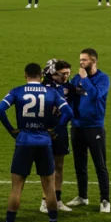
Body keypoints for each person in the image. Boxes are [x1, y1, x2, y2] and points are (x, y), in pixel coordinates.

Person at [0, 63, 73, 222]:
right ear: (41, 76)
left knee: (16, 187)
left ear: (25, 75)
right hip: (44, 141)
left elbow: (0, 110)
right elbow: (68, 113)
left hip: (24, 141)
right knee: (49, 187)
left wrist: (11, 130)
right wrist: (56, 130)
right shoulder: (52, 92)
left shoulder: (17, 91)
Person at [67, 48, 111, 213]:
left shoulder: (103, 79)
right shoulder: (76, 79)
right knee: (80, 164)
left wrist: (85, 80)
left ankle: (105, 200)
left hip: (94, 127)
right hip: (77, 127)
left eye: (84, 60)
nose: (81, 63)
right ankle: (82, 196)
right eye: (80, 60)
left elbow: (95, 95)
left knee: (100, 165)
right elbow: (70, 98)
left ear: (94, 61)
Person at [40, 59, 75, 213]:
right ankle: (45, 200)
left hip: (60, 130)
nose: (66, 76)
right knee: (48, 167)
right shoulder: (44, 88)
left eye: (68, 73)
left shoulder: (69, 87)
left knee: (59, 165)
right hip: (46, 130)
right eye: (63, 73)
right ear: (53, 73)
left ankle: (58, 199)